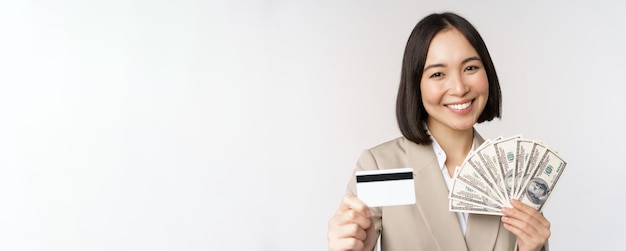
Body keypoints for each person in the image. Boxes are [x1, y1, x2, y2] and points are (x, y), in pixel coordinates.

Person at [327, 12, 551, 251]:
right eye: (437, 74)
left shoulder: (515, 174)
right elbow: (356, 239)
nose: (459, 87)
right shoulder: (380, 165)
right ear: (416, 85)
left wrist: (533, 249)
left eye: (471, 67)